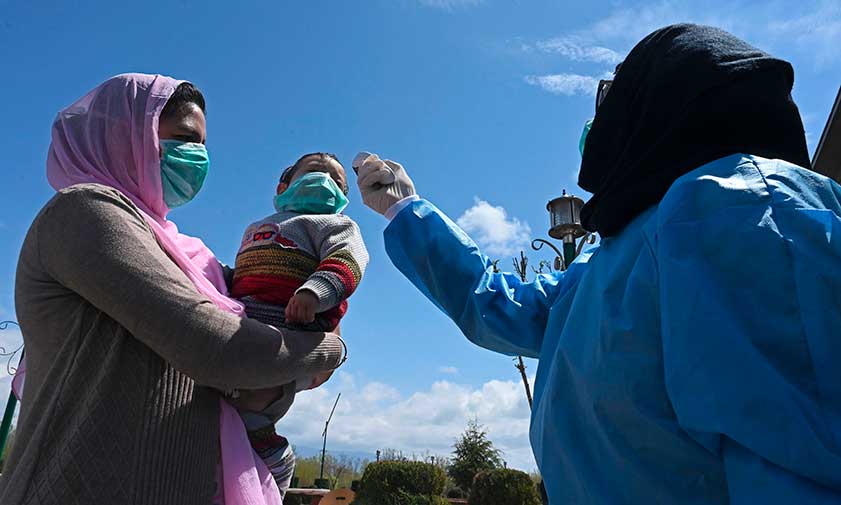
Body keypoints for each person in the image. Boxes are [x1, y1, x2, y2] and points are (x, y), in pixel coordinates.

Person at [355, 24, 841, 504]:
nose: (602, 115)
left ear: (668, 97)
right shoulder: (605, 257)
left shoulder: (744, 207)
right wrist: (405, 208)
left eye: (616, 89)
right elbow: (494, 303)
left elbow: (802, 463)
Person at [1, 73, 345, 505]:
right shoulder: (84, 212)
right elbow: (218, 350)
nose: (197, 156)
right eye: (184, 139)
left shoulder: (189, 254)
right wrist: (329, 349)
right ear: (124, 134)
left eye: (201, 144)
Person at [229, 152, 368, 493]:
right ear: (283, 186)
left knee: (255, 398)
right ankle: (256, 459)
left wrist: (314, 293)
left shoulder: (337, 225)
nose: (324, 181)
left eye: (335, 180)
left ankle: (276, 464)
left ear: (344, 198)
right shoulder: (256, 228)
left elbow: (347, 261)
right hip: (243, 327)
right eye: (314, 172)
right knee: (232, 413)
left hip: (294, 330)